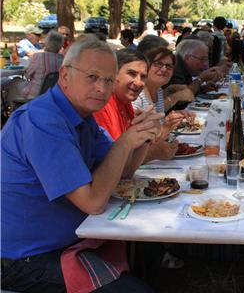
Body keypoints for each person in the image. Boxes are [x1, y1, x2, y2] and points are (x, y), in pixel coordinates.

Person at [1, 38, 160, 292]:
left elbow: (124, 171)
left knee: (147, 246)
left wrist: (142, 136)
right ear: (65, 75)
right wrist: (124, 143)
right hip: (25, 259)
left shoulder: (82, 116)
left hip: (68, 240)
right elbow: (93, 203)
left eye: (108, 80)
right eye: (92, 77)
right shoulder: (42, 121)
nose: (101, 88)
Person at [23, 30, 65, 100]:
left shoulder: (39, 57)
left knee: (14, 83)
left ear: (47, 43)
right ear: (61, 45)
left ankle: (12, 108)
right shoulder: (63, 60)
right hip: (53, 96)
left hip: (36, 95)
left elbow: (27, 75)